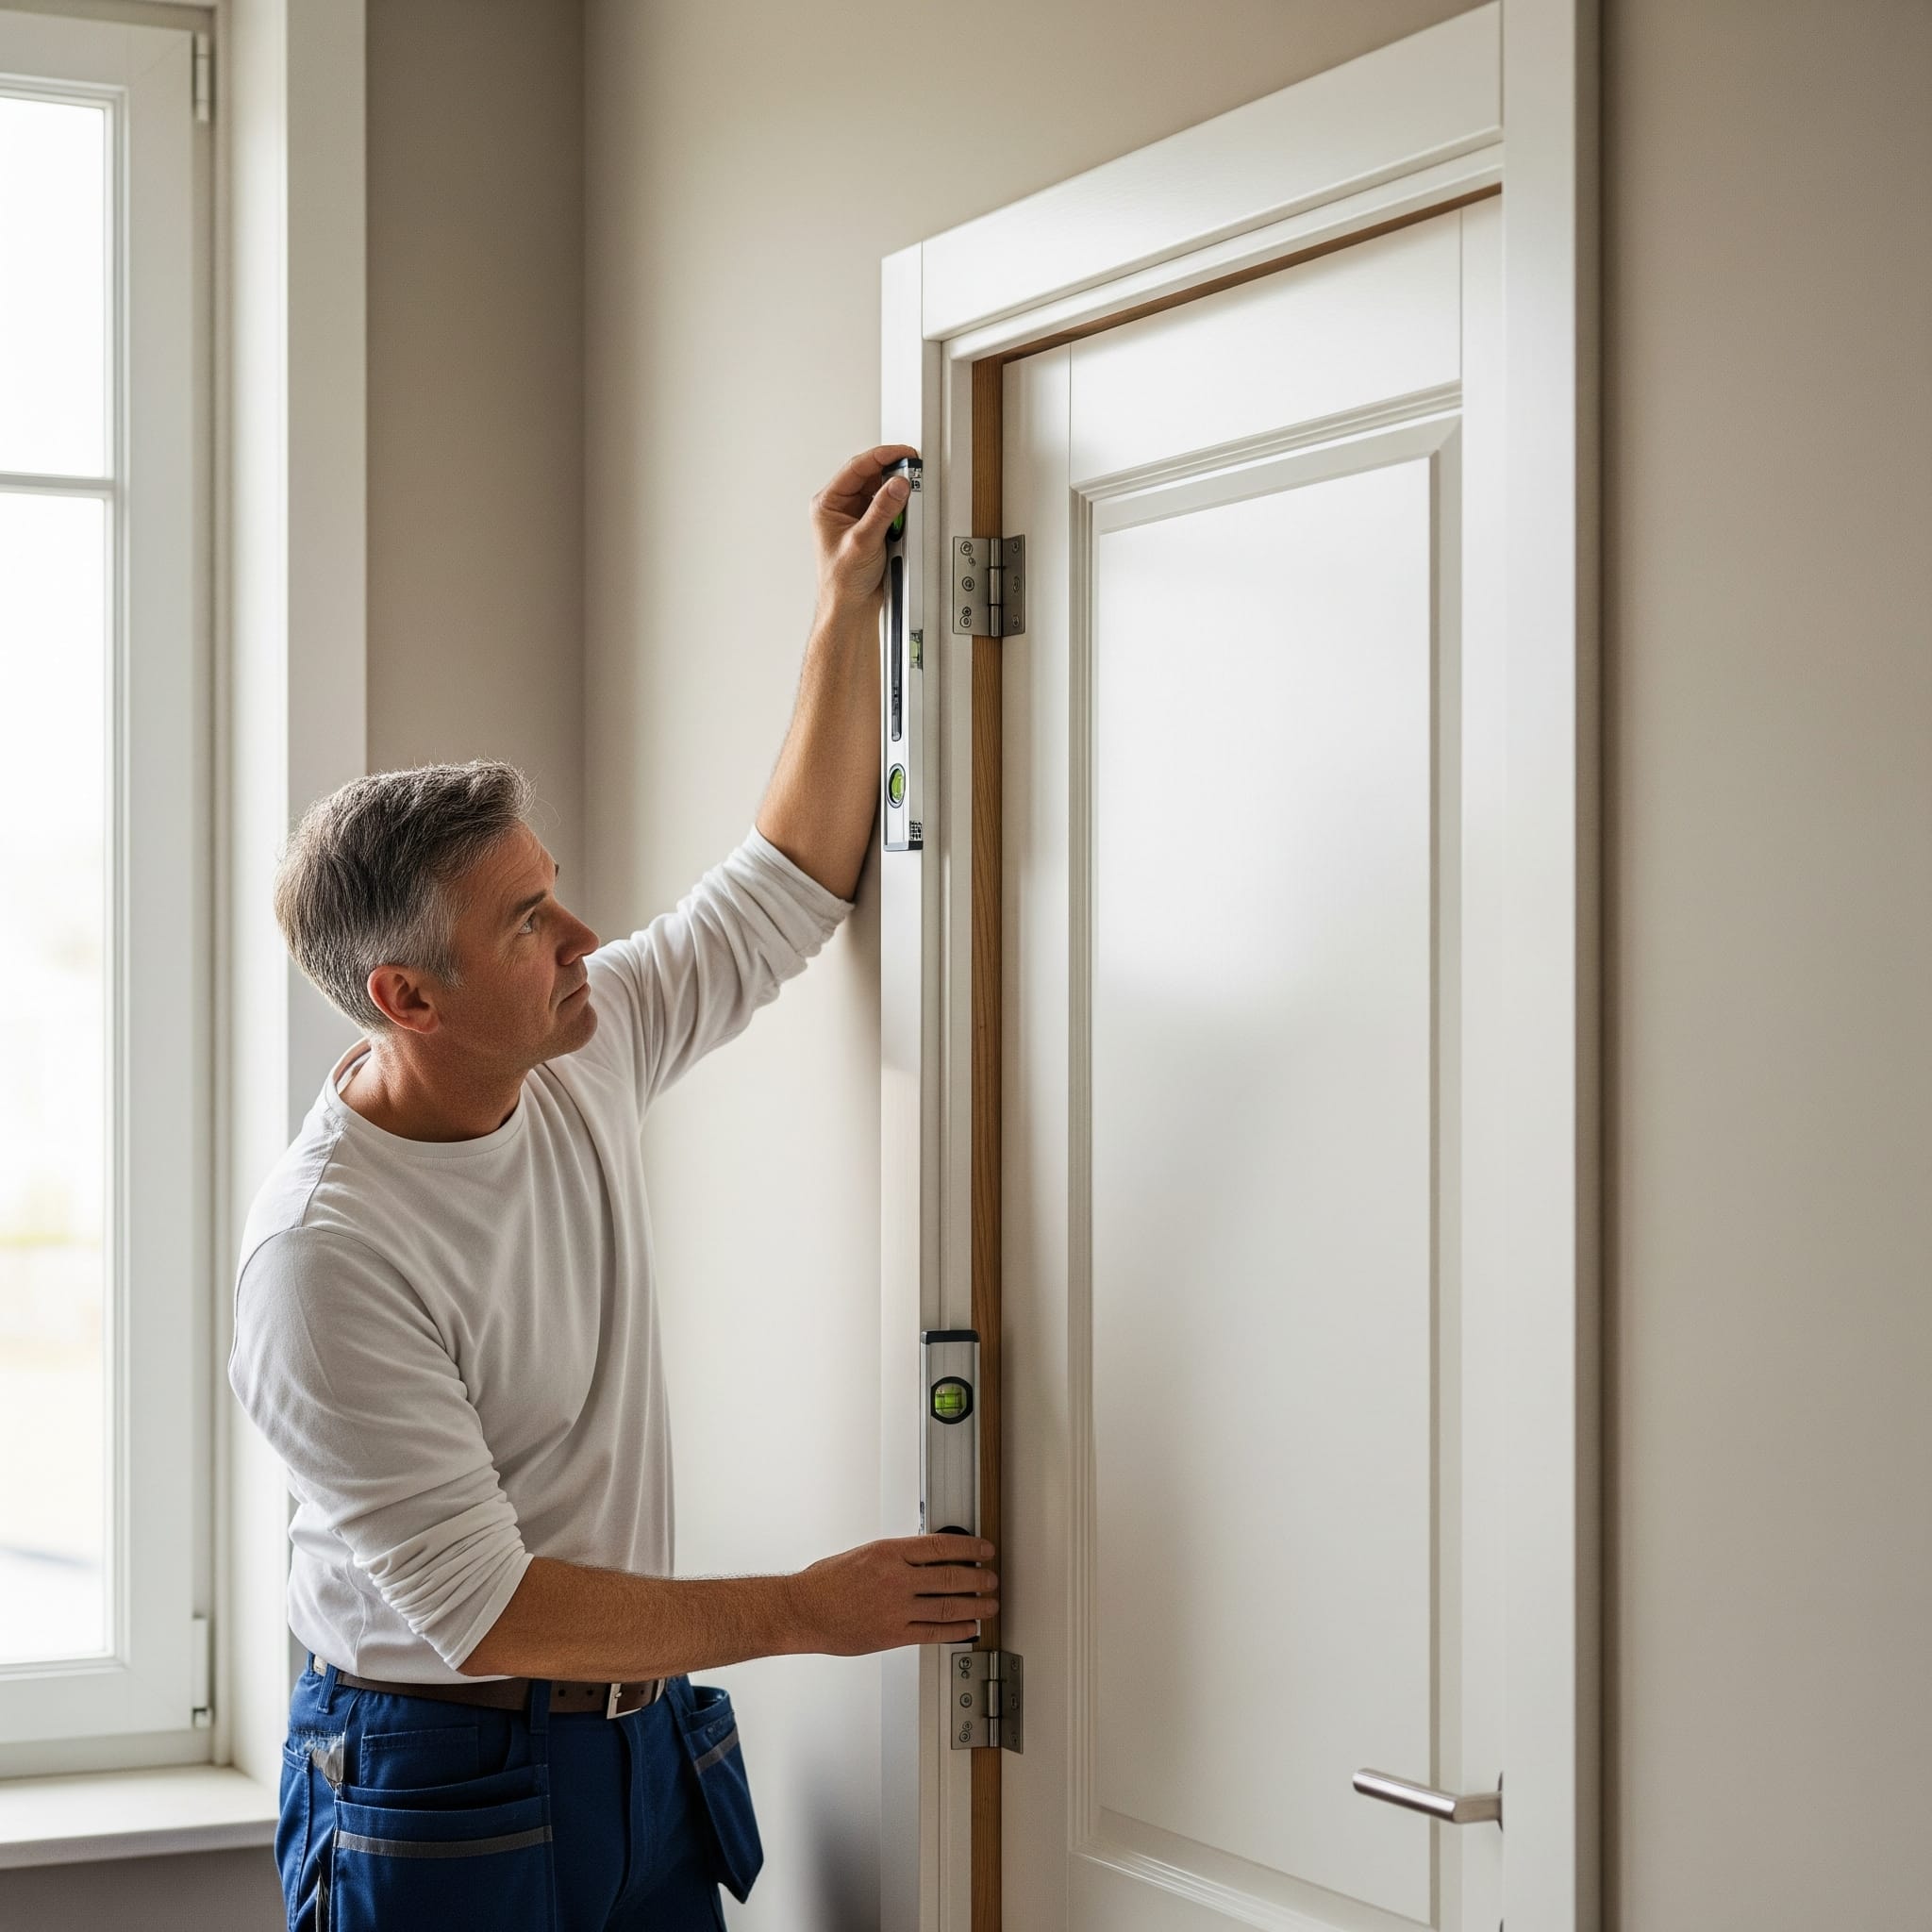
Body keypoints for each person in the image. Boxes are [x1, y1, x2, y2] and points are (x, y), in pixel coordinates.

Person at [229, 445, 996, 1932]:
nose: (583, 935)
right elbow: (492, 1607)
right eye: (527, 919)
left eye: (554, 885)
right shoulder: (326, 1257)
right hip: (439, 1771)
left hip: (639, 1743)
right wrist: (801, 1611)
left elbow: (783, 886)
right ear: (410, 996)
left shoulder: (575, 1046)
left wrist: (847, 608)